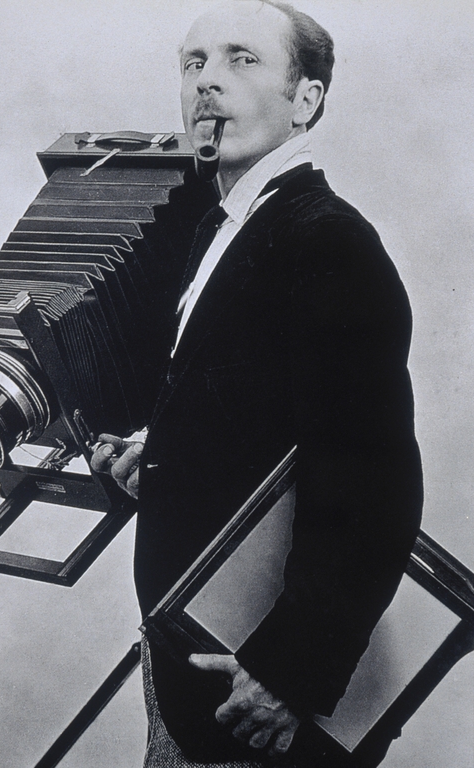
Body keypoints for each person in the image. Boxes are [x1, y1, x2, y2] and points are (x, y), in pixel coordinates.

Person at [92, 1, 423, 765]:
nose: (208, 84)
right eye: (193, 63)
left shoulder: (326, 237)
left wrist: (289, 675)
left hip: (253, 689)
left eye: (241, 60)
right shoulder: (221, 227)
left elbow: (374, 482)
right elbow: (253, 426)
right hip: (185, 661)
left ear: (305, 100)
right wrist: (159, 459)